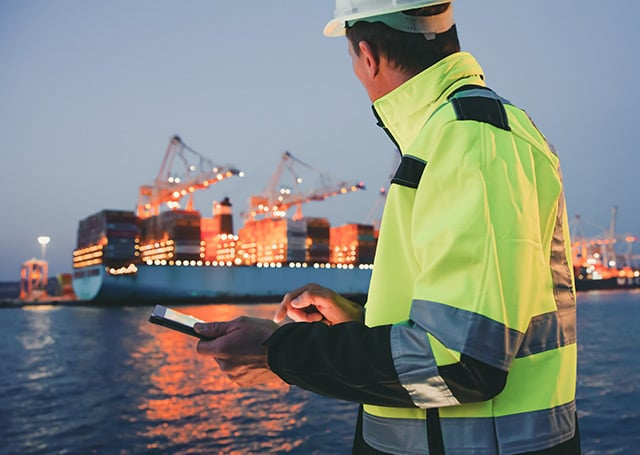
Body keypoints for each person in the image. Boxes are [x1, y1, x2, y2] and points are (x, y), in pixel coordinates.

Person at [195, 1, 581, 453]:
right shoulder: (458, 134)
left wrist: (278, 351)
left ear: (368, 56)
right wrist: (361, 322)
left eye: (351, 60)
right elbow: (474, 323)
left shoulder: (468, 139)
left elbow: (462, 363)